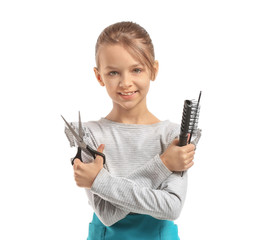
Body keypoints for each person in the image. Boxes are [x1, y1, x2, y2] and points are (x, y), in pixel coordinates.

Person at [64, 21, 197, 240]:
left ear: (153, 70)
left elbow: (171, 207)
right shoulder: (88, 135)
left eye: (136, 69)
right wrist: (163, 164)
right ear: (99, 76)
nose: (126, 82)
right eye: (114, 72)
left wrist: (100, 180)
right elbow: (107, 214)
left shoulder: (173, 137)